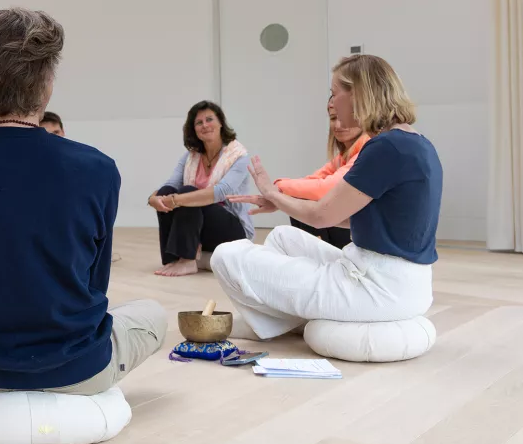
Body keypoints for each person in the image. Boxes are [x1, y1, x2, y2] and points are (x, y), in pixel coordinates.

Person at [0, 8, 167, 394]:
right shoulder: (98, 169)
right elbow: (94, 283)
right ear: (46, 83)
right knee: (153, 314)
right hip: (79, 370)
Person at [215, 54, 442, 340]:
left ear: (358, 94)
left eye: (334, 93)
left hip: (377, 287)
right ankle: (278, 321)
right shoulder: (414, 142)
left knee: (225, 256)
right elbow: (360, 217)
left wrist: (273, 192)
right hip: (396, 278)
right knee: (283, 237)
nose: (331, 103)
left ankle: (275, 323)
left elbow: (322, 216)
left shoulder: (386, 148)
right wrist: (281, 202)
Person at [148, 101, 253, 277]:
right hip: (201, 227)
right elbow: (171, 183)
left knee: (187, 192)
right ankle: (173, 258)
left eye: (209, 119)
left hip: (232, 230)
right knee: (167, 191)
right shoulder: (190, 156)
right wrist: (153, 199)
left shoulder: (239, 156)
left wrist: (176, 200)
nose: (205, 125)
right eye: (199, 122)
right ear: (194, 129)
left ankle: (188, 260)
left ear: (220, 123)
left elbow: (221, 191)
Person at [275, 104, 369, 249]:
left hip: (367, 233)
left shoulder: (367, 149)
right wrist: (279, 192)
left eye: (344, 117)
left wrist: (277, 188)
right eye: (333, 118)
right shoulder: (344, 155)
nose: (338, 125)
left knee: (306, 199)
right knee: (300, 196)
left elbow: (325, 188)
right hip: (355, 225)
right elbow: (314, 179)